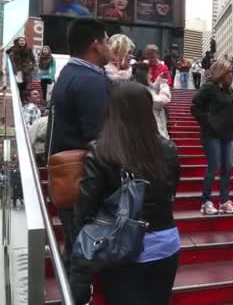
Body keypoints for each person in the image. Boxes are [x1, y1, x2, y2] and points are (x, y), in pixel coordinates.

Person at [70, 81, 180, 305]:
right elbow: (170, 192)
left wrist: (78, 259)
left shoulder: (101, 151)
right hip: (165, 243)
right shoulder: (168, 149)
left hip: (119, 247)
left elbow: (85, 208)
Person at [46, 18, 112, 267]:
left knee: (75, 244)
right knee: (82, 252)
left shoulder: (70, 73)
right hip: (83, 182)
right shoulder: (89, 80)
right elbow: (99, 137)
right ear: (96, 45)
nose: (108, 47)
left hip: (68, 177)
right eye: (106, 41)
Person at [191, 60, 233, 215]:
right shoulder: (208, 87)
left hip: (227, 134)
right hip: (211, 135)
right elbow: (195, 107)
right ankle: (206, 201)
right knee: (214, 166)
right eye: (229, 71)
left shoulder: (228, 89)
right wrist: (209, 122)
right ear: (221, 72)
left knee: (227, 168)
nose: (231, 74)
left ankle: (224, 201)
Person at [132, 62, 171, 139]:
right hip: (153, 130)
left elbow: (152, 89)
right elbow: (162, 100)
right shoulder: (141, 90)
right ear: (144, 74)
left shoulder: (136, 85)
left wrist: (159, 79)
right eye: (149, 73)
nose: (151, 76)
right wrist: (164, 84)